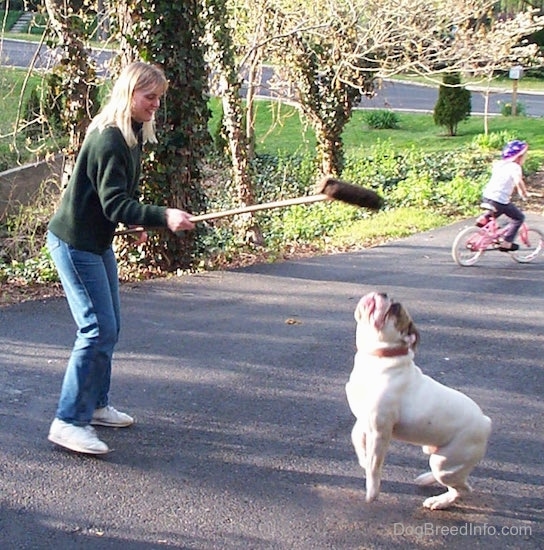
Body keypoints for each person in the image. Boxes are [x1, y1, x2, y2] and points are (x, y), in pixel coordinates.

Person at [46, 61, 195, 454]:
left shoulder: (131, 134)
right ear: (129, 93)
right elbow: (115, 203)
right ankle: (67, 420)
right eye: (150, 97)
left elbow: (112, 198)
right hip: (76, 244)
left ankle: (95, 406)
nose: (156, 105)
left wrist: (134, 222)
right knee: (97, 329)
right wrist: (163, 216)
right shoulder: (110, 138)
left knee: (109, 327)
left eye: (159, 97)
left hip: (95, 241)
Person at [477, 139, 529, 252]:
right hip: (499, 200)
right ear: (519, 157)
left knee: (497, 210)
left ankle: (484, 219)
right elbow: (518, 181)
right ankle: (506, 243)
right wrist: (523, 193)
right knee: (518, 218)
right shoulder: (515, 167)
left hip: (487, 196)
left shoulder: (498, 164)